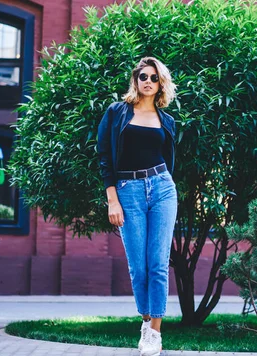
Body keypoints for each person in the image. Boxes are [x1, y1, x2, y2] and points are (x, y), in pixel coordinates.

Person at [97, 57, 178, 356]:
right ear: (136, 79)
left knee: (158, 264)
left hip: (162, 188)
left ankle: (154, 333)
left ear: (160, 84)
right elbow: (104, 154)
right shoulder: (117, 112)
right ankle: (146, 321)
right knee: (138, 267)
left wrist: (164, 186)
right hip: (127, 191)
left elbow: (169, 161)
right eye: (143, 76)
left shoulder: (166, 121)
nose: (148, 81)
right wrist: (112, 198)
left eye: (154, 77)